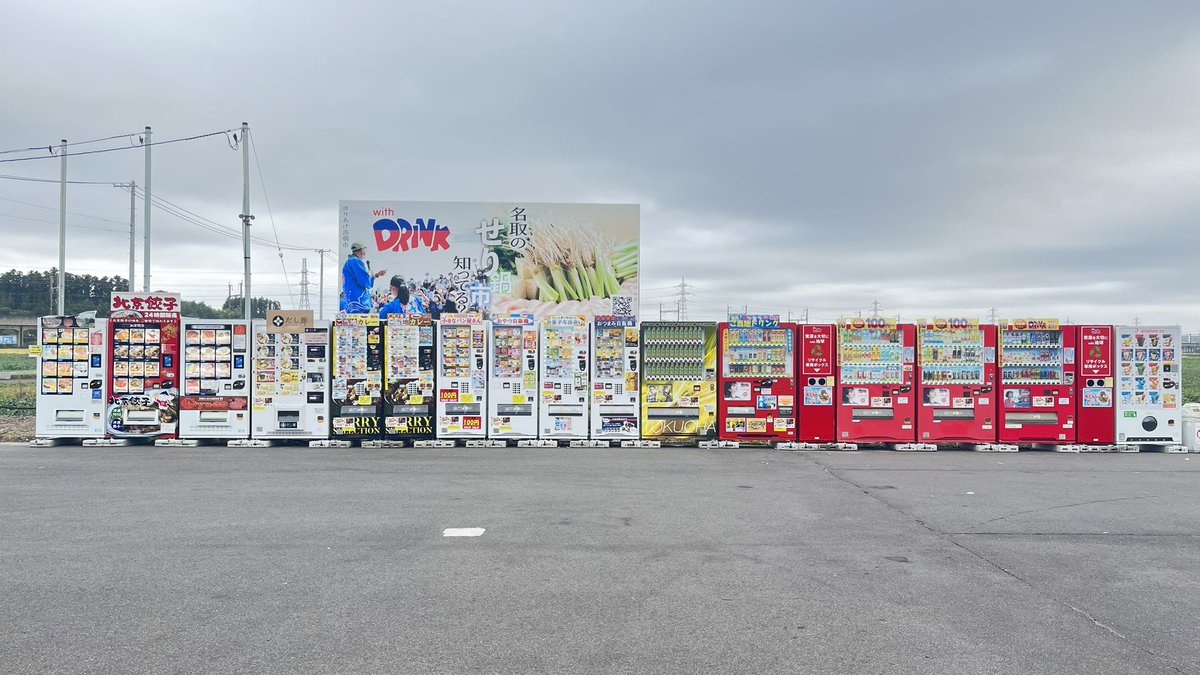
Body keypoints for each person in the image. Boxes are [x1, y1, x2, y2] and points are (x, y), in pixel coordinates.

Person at [340, 242, 387, 313]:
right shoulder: (355, 261)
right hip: (358, 304)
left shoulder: (350, 262)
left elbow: (362, 280)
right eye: (364, 250)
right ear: (361, 250)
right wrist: (369, 273)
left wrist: (376, 275)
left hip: (353, 303)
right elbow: (365, 281)